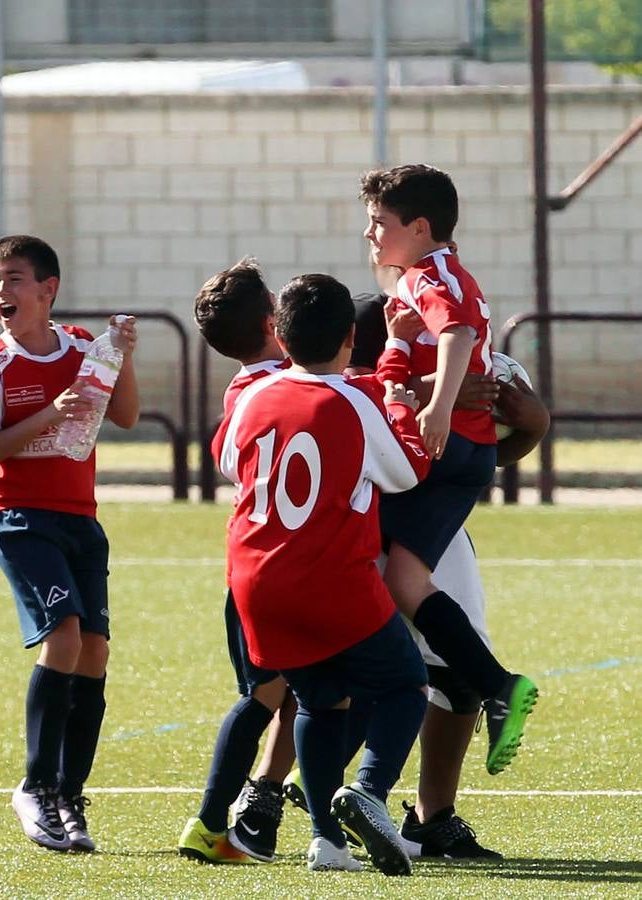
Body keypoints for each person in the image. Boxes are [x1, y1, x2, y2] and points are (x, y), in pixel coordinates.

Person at [216, 273, 430, 876]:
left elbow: (230, 460)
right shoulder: (354, 400)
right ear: (349, 337)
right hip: (329, 575)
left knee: (318, 699)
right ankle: (368, 789)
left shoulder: (257, 395)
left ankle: (326, 842)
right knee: (404, 685)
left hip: (257, 579)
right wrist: (399, 403)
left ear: (280, 337)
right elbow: (407, 473)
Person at [349, 293, 550, 859]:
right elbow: (371, 431)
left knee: (454, 672)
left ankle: (431, 815)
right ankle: (277, 794)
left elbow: (462, 453)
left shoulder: (458, 352)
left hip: (429, 529)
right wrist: (425, 399)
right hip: (352, 532)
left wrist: (528, 428)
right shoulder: (354, 366)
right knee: (332, 679)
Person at [0, 235, 140, 853]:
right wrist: (48, 416)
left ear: (47, 289)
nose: (1, 292)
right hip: (19, 517)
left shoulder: (85, 348)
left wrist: (123, 357)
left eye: (13, 279)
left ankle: (69, 792)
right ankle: (35, 785)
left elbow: (126, 417)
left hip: (80, 519)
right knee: (63, 635)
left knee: (94, 651)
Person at [360, 165, 538, 776]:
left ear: (419, 226)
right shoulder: (434, 277)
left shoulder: (429, 274)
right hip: (470, 453)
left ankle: (484, 685)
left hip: (450, 446)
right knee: (405, 579)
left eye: (380, 223)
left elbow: (458, 333)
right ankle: (490, 685)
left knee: (386, 578)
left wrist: (433, 408)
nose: (370, 234)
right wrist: (396, 343)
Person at [178, 259, 298, 865]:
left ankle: (258, 809)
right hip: (287, 561)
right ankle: (209, 821)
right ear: (273, 320)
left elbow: (227, 460)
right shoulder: (297, 378)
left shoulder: (241, 388)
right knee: (268, 696)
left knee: (283, 693)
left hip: (251, 562)